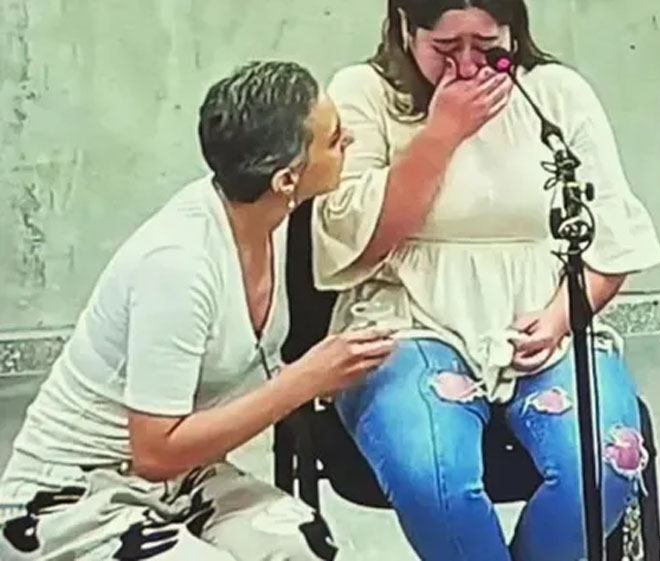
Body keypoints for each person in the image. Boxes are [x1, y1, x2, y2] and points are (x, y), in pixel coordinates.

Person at [311, 1, 660, 559]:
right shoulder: (364, 93)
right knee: (434, 474)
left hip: (542, 325)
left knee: (608, 462)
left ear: (513, 32)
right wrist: (441, 134)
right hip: (408, 324)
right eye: (445, 48)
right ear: (406, 28)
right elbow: (357, 240)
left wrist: (558, 319)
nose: (468, 66)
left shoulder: (556, 95)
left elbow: (611, 243)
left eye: (486, 46)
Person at [0, 61, 396, 560]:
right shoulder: (178, 265)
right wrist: (304, 380)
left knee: (301, 543)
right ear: (286, 178)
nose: (350, 140)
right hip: (76, 492)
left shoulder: (275, 220)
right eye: (335, 138)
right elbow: (155, 452)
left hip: (184, 478)